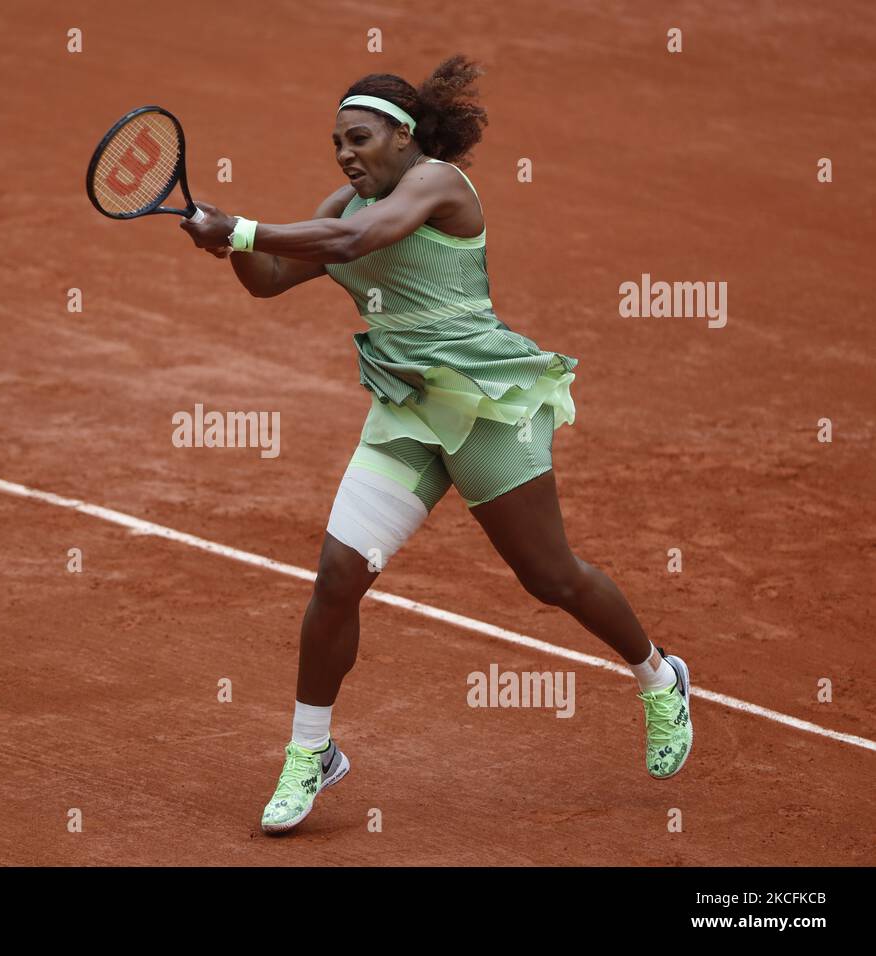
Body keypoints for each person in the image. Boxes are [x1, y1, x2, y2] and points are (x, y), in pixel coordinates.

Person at [180, 56, 692, 836]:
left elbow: (357, 243)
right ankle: (310, 751)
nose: (347, 155)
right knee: (338, 575)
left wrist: (244, 226)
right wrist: (231, 243)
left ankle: (658, 678)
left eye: (360, 139)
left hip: (487, 405)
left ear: (404, 138)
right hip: (408, 408)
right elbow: (274, 276)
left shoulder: (439, 186)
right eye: (338, 144)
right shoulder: (343, 204)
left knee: (549, 577)